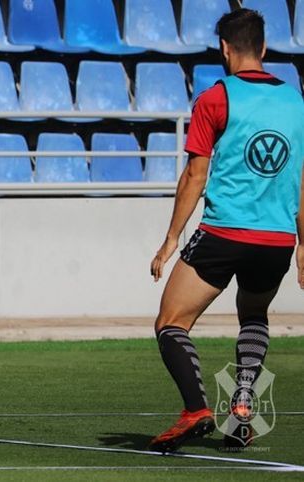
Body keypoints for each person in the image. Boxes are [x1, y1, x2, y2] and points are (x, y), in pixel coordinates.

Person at [148, 8, 304, 452]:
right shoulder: (296, 102)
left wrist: (171, 239)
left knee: (172, 322)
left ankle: (196, 408)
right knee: (253, 316)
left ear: (224, 48)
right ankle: (241, 407)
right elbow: (302, 176)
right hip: (276, 239)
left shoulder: (216, 98)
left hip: (223, 233)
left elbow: (195, 176)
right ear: (265, 47)